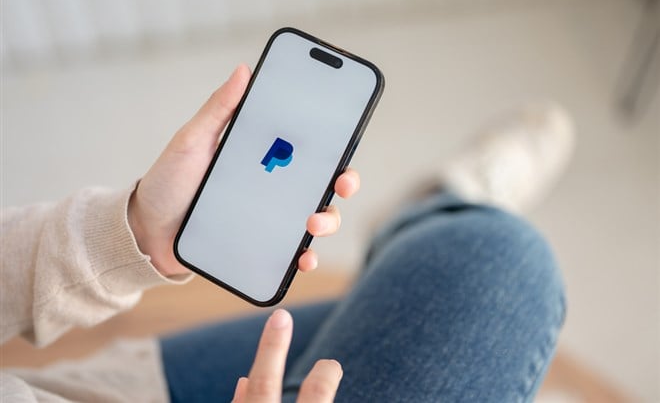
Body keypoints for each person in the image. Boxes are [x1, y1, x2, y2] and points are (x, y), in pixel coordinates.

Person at [1, 64, 573, 402]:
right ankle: (433, 210)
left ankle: (432, 215)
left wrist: (139, 231)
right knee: (499, 264)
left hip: (114, 392)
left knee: (470, 269)